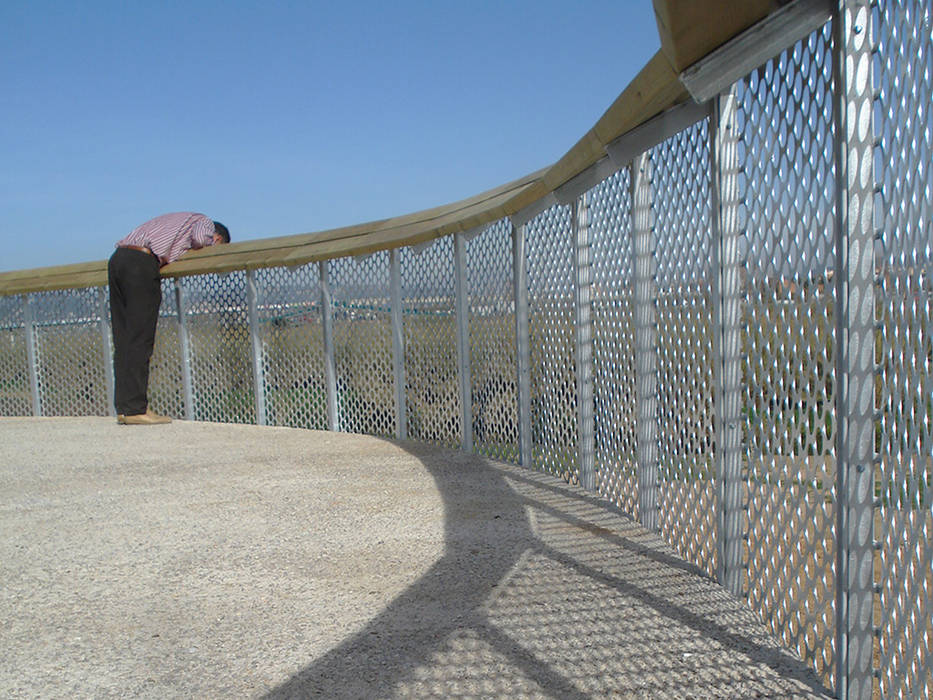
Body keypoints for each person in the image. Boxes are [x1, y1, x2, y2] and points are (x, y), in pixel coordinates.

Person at [108, 212, 230, 425]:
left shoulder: (177, 221)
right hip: (142, 262)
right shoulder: (203, 221)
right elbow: (202, 238)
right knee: (140, 337)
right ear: (218, 237)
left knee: (124, 337)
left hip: (118, 260)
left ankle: (125, 408)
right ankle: (136, 408)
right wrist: (209, 245)